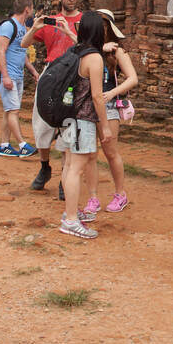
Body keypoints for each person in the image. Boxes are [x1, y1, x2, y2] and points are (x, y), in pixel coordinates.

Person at [21, 0, 83, 194]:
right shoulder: (51, 21)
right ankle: (45, 165)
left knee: (69, 126)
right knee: (41, 123)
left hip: (73, 75)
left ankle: (65, 179)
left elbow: (87, 47)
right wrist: (35, 27)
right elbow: (24, 44)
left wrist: (68, 32)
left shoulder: (84, 20)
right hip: (51, 75)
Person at [55, 12, 110, 239]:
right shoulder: (94, 58)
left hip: (68, 117)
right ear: (99, 31)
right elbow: (97, 97)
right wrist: (105, 126)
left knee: (69, 166)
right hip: (82, 119)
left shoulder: (75, 51)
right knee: (76, 168)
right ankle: (70, 220)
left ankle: (71, 212)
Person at [80, 9, 139, 215]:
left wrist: (112, 93)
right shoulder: (88, 51)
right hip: (88, 106)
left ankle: (120, 193)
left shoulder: (116, 51)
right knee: (89, 154)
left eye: (104, 25)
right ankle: (93, 197)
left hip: (109, 105)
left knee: (110, 152)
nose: (101, 29)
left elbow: (133, 78)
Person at [0, 0, 37, 158]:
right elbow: (1, 51)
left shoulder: (21, 27)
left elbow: (21, 53)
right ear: (27, 9)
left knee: (9, 111)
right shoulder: (8, 26)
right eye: (31, 8)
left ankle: (4, 145)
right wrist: (5, 76)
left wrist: (32, 70)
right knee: (13, 111)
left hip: (17, 74)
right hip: (8, 75)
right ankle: (22, 144)